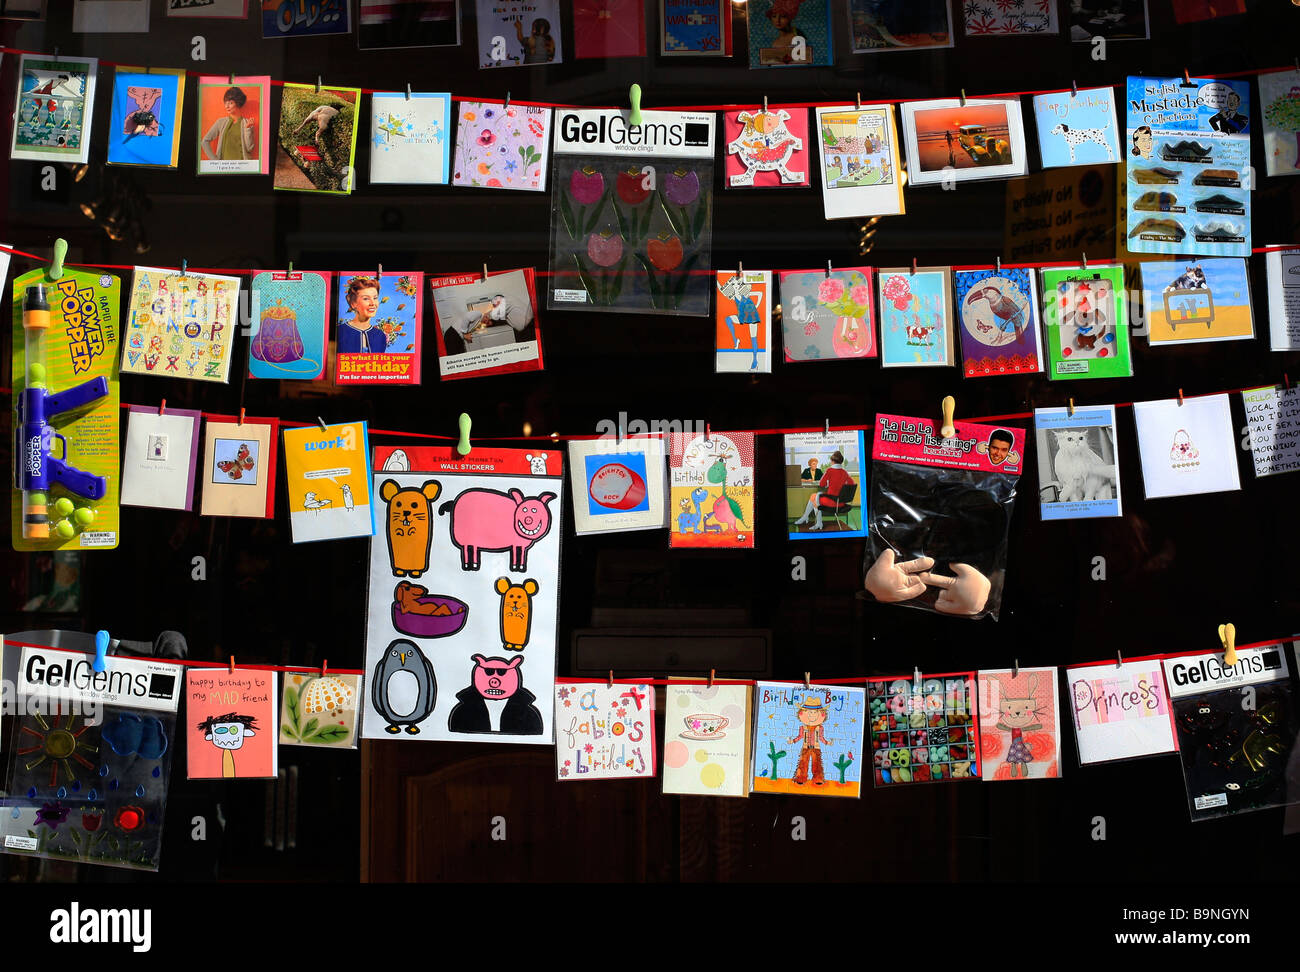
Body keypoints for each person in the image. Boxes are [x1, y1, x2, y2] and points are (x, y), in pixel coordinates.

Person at [792, 450, 852, 530]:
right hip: (841, 503)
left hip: (832, 502)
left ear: (832, 461)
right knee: (814, 496)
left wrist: (829, 483)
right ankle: (806, 517)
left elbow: (821, 484)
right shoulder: (844, 472)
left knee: (815, 497)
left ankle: (817, 522)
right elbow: (851, 483)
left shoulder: (829, 471)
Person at [201, 86, 256, 162]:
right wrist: (215, 161)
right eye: (225, 103)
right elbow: (204, 141)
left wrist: (248, 129)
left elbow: (249, 148)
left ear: (238, 103)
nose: (227, 106)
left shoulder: (247, 123)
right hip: (224, 168)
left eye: (230, 103)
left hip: (242, 167)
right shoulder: (220, 122)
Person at [336, 276, 388, 354]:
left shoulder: (380, 335)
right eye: (366, 298)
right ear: (353, 303)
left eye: (375, 298)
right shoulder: (340, 331)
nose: (372, 303)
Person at [788, 695, 831, 785]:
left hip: (816, 748)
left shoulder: (820, 728)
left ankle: (818, 778)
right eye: (809, 712)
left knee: (817, 764)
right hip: (805, 747)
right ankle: (800, 778)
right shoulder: (802, 727)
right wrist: (793, 741)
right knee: (803, 763)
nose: (812, 715)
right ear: (801, 714)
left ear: (822, 714)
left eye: (815, 712)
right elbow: (799, 736)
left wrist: (827, 742)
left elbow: (821, 738)